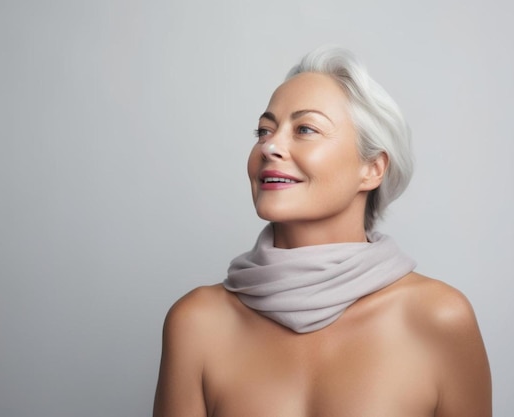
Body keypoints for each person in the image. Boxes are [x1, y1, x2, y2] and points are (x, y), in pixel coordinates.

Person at [153, 46, 491, 417]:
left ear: (372, 169)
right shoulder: (197, 323)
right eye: (264, 130)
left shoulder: (438, 318)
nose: (270, 146)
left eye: (305, 129)